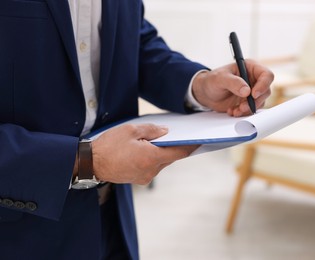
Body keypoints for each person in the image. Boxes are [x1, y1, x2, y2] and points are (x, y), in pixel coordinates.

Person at [0, 0, 273, 259]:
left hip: (112, 218)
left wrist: (198, 85)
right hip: (17, 230)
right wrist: (88, 161)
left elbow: (135, 42)